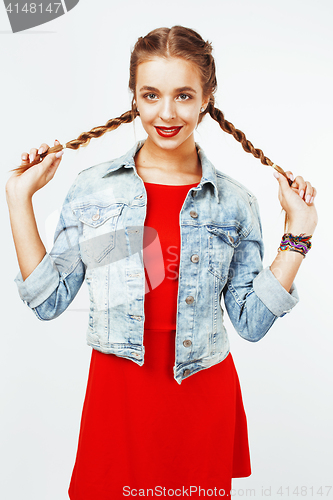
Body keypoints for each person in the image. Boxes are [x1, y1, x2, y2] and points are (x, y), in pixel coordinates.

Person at [6, 26, 317, 499]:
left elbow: (251, 322)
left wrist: (299, 234)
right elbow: (49, 301)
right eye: (151, 95)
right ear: (133, 97)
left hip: (200, 391)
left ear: (207, 99)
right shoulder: (96, 190)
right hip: (119, 394)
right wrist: (18, 197)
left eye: (184, 95)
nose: (166, 113)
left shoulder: (234, 202)